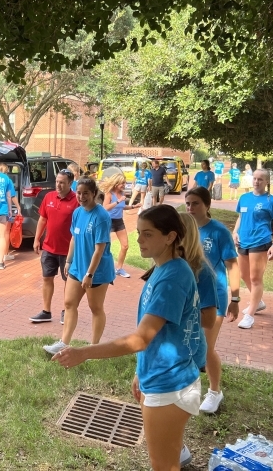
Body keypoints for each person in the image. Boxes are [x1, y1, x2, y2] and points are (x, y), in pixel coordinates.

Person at [52, 205, 202, 471]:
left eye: (147, 234)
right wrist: (140, 371)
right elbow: (158, 338)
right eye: (138, 233)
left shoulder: (172, 278)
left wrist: (84, 352)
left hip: (170, 384)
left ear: (170, 237)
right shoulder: (164, 269)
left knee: (164, 466)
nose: (139, 240)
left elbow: (141, 339)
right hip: (160, 377)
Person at [43, 177, 115, 355]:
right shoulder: (77, 213)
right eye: (79, 193)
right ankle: (63, 343)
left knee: (95, 308)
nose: (81, 197)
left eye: (86, 194)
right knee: (69, 303)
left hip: (96, 271)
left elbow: (99, 249)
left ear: (94, 194)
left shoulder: (102, 217)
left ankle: (94, 348)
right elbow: (74, 238)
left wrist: (89, 274)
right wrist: (68, 261)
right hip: (77, 267)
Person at [185, 187, 240, 413]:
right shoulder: (185, 230)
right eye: (188, 203)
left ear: (207, 205)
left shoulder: (218, 232)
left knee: (206, 347)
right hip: (189, 295)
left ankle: (215, 392)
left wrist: (235, 298)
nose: (190, 208)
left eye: (196, 203)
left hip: (213, 296)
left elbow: (232, 265)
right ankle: (189, 386)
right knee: (189, 343)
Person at [177, 212, 217, 466]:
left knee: (177, 403)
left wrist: (177, 313)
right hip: (170, 348)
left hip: (188, 350)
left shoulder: (203, 274)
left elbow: (209, 320)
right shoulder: (168, 266)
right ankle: (177, 446)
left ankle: (177, 449)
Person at [233, 169, 273, 329]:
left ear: (267, 182)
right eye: (255, 178)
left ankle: (250, 315)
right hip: (243, 241)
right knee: (243, 275)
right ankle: (259, 302)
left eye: (260, 179)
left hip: (260, 242)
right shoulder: (244, 198)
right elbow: (240, 218)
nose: (256, 182)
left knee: (256, 278)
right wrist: (235, 232)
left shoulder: (272, 201)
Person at [29, 168, 79, 324]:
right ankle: (46, 311)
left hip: (68, 251)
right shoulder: (49, 197)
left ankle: (66, 311)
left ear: (70, 183)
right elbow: (43, 219)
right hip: (49, 248)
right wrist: (37, 239)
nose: (58, 185)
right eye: (57, 182)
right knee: (47, 278)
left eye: (62, 183)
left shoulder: (76, 200)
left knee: (68, 282)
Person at [101, 173, 139, 278]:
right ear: (116, 183)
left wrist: (133, 206)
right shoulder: (109, 194)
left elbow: (122, 207)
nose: (124, 185)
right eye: (122, 183)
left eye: (124, 183)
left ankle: (119, 269)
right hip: (108, 221)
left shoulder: (122, 194)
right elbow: (105, 208)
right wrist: (118, 201)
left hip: (119, 221)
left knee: (125, 245)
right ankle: (101, 266)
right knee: (104, 246)